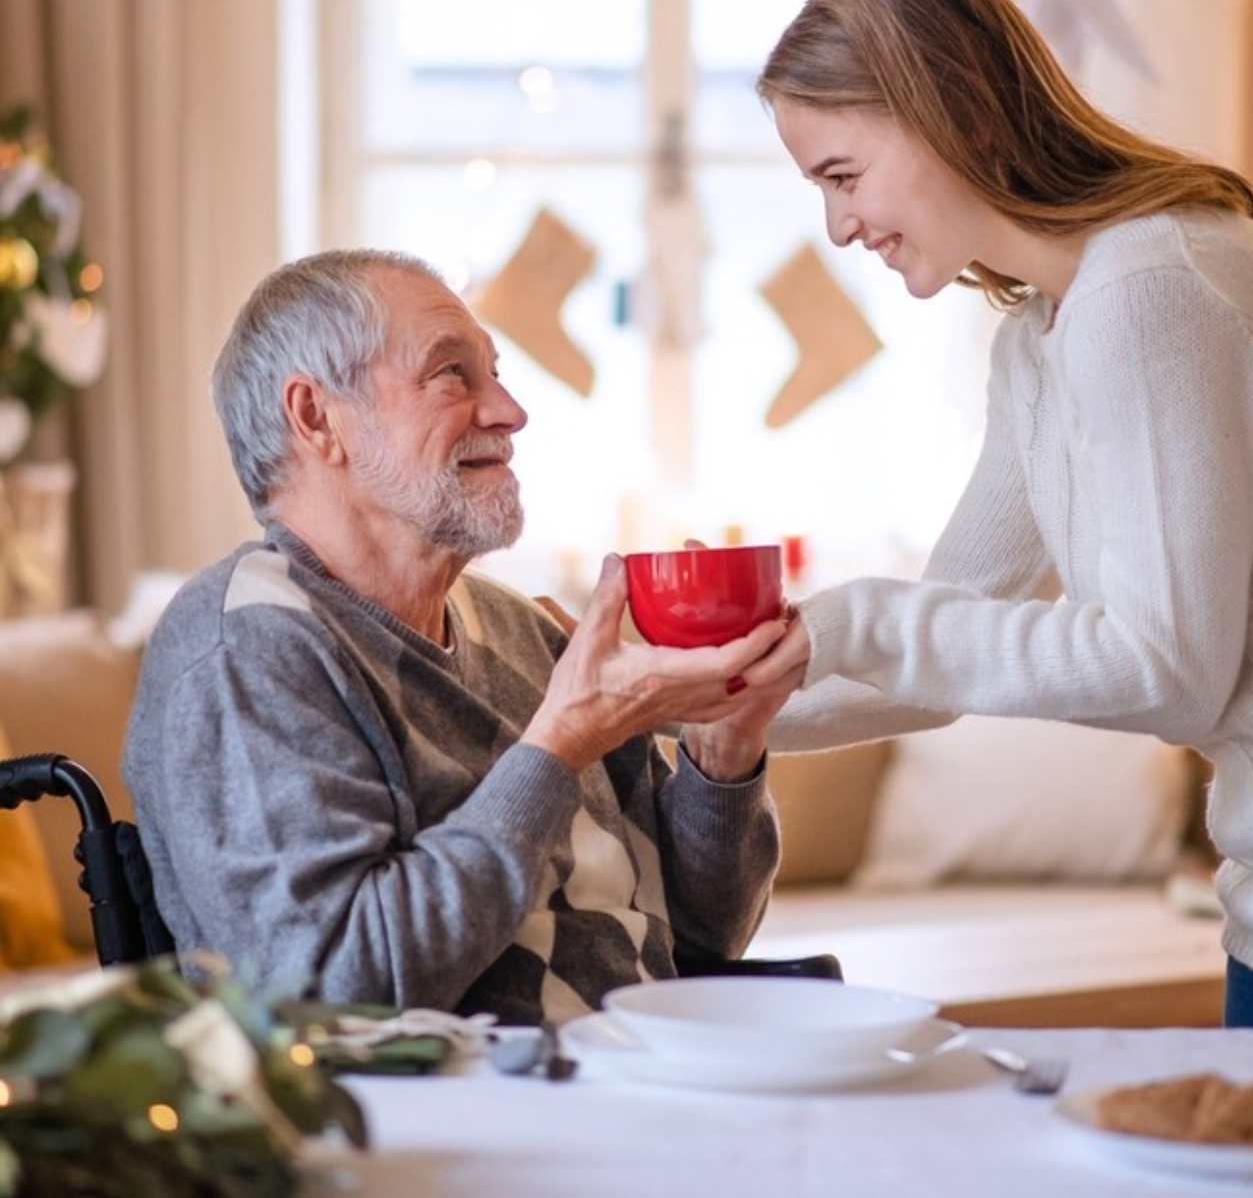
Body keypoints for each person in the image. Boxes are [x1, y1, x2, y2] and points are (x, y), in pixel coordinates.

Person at [745, 0, 1253, 1029]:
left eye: (841, 176)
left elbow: (1166, 668)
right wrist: (684, 704)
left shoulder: (1154, 289)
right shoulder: (1042, 341)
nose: (838, 225)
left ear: (954, 112)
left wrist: (846, 619)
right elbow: (937, 658)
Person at [122, 248, 798, 1026]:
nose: (511, 411)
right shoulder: (246, 647)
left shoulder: (519, 628)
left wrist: (724, 749)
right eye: (452, 374)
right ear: (317, 418)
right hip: (449, 1119)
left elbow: (705, 936)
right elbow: (335, 991)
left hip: (641, 1079)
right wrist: (559, 746)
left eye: (497, 374)